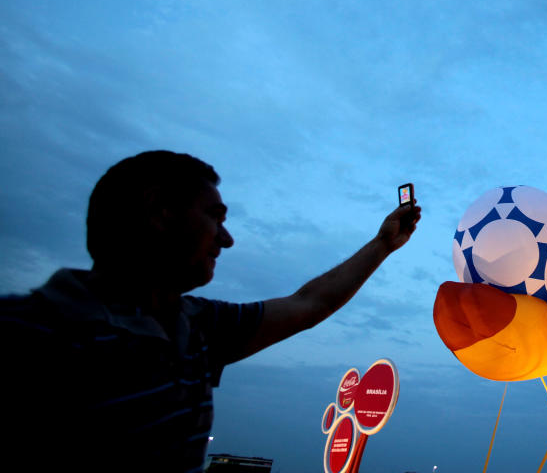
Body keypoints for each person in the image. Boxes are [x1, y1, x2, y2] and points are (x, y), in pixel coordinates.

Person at [0, 150, 421, 472]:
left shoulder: (197, 326)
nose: (227, 239)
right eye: (214, 217)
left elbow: (309, 304)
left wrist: (383, 244)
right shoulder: (29, 336)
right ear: (159, 212)